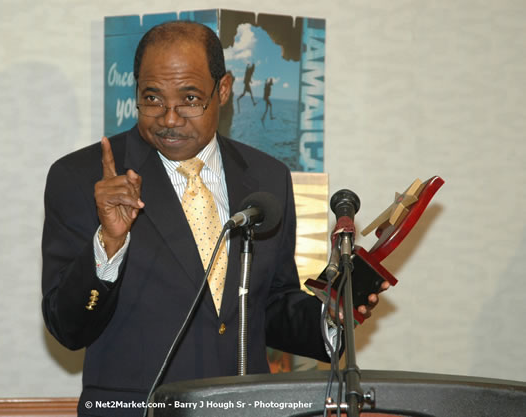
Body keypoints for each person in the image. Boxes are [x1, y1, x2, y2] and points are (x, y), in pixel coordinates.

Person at [41, 21, 386, 417]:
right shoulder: (83, 177)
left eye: (189, 98)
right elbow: (66, 328)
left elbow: (269, 305)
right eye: (152, 98)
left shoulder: (267, 177)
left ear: (223, 90)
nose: (169, 118)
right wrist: (109, 244)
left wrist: (331, 315)